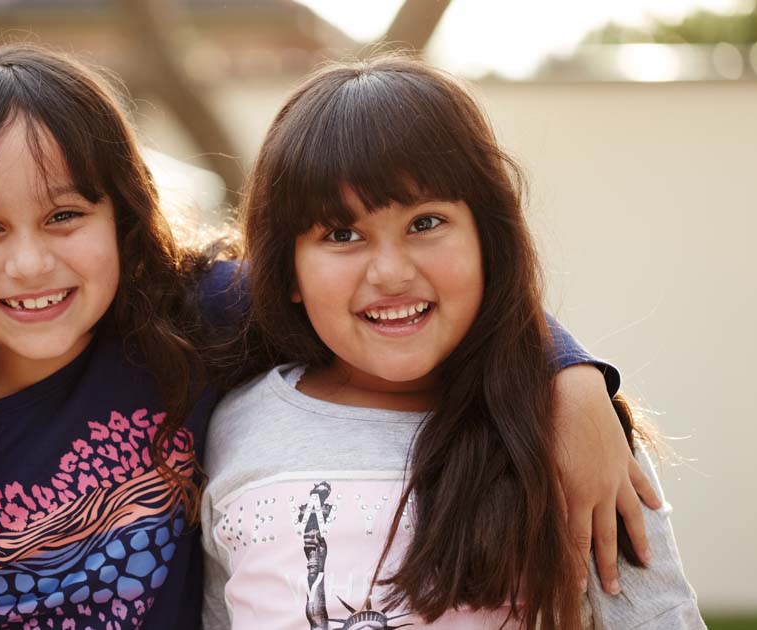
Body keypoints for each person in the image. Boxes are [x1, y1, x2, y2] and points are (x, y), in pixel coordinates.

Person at [0, 45, 651, 630]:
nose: (30, 264)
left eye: (66, 214)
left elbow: (395, 292)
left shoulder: (194, 323)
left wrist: (572, 379)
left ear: (124, 216)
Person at [200, 56, 705, 629]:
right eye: (342, 234)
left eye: (425, 223)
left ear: (489, 238)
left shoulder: (570, 431)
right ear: (287, 268)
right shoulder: (236, 428)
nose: (390, 273)